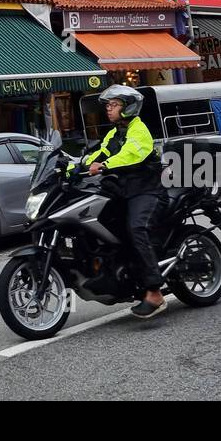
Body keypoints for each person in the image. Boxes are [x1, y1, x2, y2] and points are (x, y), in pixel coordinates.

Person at [85, 85, 167, 321]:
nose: (108, 109)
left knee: (136, 228)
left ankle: (155, 292)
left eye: (114, 105)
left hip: (146, 190)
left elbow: (131, 154)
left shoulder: (138, 130)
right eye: (108, 106)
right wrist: (71, 168)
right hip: (123, 191)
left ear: (128, 107)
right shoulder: (114, 133)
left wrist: (105, 165)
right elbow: (98, 155)